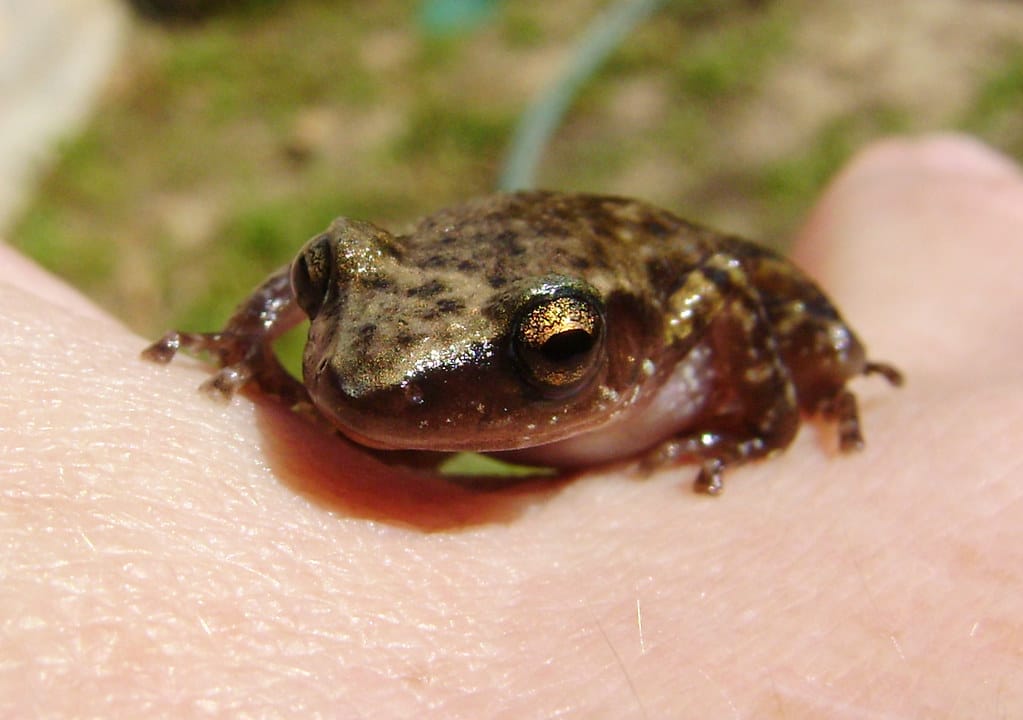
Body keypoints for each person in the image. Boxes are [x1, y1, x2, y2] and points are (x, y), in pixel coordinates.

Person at [2, 135, 1020, 716]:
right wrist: (242, 347)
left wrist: (765, 419)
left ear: (602, 343)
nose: (370, 379)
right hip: (479, 265)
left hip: (642, 268)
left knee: (812, 342)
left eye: (556, 347)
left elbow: (719, 280)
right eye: (324, 288)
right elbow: (337, 277)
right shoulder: (380, 318)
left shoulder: (671, 324)